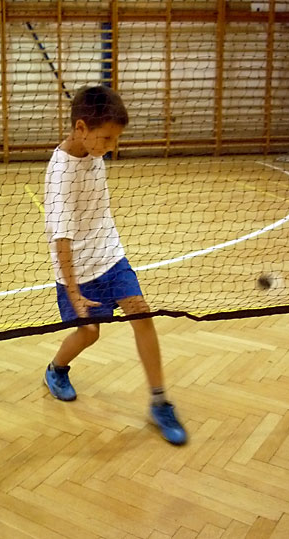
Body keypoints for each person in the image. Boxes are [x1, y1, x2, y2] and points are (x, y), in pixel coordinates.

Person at [43, 84, 187, 446]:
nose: (111, 146)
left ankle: (159, 401)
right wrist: (73, 293)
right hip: (76, 268)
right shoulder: (61, 175)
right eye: (106, 138)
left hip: (109, 254)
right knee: (89, 333)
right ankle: (56, 369)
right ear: (80, 128)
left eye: (115, 139)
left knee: (141, 313)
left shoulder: (92, 150)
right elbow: (61, 240)